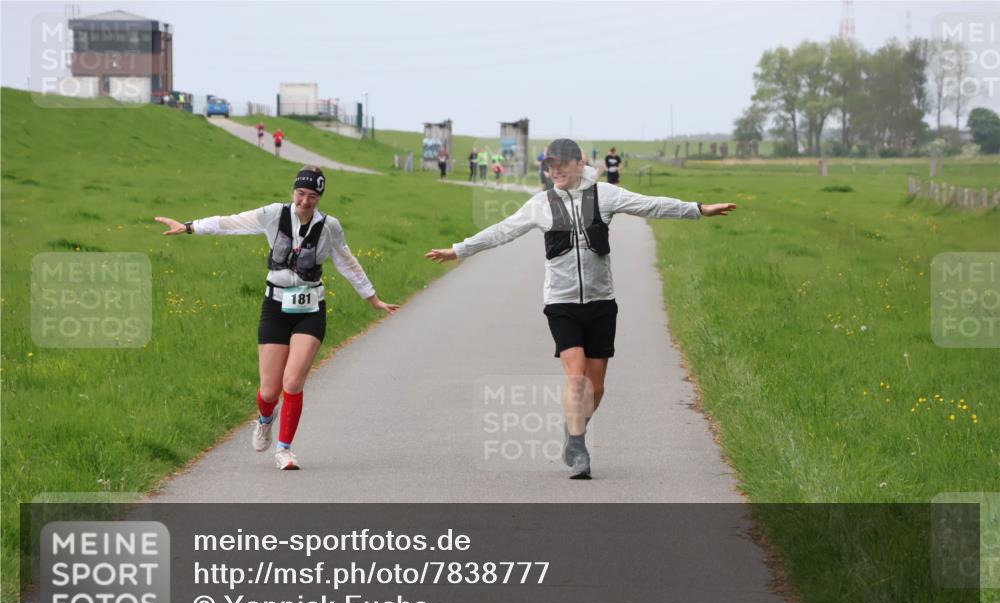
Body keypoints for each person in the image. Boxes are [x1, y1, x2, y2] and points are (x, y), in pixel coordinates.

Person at [425, 139, 735, 480]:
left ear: (578, 164)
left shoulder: (605, 195)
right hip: (562, 303)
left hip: (602, 302)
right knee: (576, 379)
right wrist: (459, 250)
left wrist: (698, 209)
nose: (554, 171)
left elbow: (650, 206)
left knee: (596, 386)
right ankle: (578, 447)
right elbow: (502, 231)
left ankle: (575, 429)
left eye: (561, 165)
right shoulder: (540, 204)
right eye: (549, 166)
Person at [155, 166, 399, 470]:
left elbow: (347, 262)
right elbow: (231, 223)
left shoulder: (330, 227)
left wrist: (372, 297)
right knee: (270, 390)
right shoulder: (274, 214)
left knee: (293, 382)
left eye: (312, 196)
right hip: (275, 307)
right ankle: (265, 419)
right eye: (300, 193)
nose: (305, 201)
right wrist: (190, 227)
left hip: (311, 308)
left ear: (320, 197)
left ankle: (285, 450)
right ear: (293, 192)